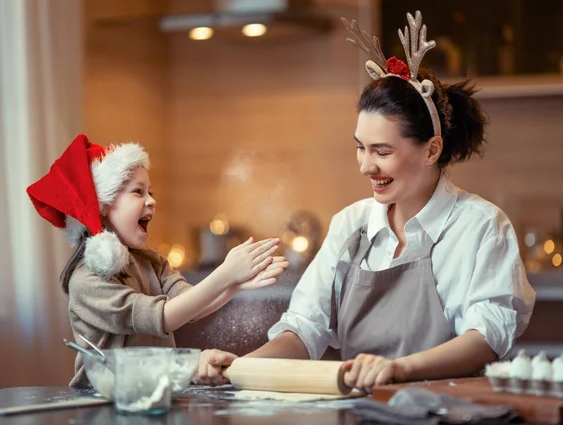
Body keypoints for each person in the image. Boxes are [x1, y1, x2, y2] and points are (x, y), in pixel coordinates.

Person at [194, 11, 536, 390]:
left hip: (451, 410)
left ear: (431, 150)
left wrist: (398, 370)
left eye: (381, 151)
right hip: (363, 411)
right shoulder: (350, 225)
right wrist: (241, 367)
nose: (365, 166)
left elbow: (487, 336)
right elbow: (305, 329)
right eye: (360, 148)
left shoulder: (481, 226)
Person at [27, 134, 289, 386]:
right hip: (103, 399)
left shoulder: (152, 263)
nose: (152, 201)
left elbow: (189, 308)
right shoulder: (86, 280)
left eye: (150, 191)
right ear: (103, 205)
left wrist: (236, 284)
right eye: (138, 192)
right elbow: (162, 318)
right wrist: (225, 274)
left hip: (155, 389)